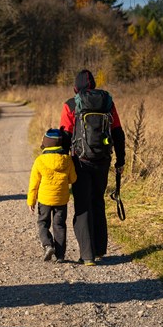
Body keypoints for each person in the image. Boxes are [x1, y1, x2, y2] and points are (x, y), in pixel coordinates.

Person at [60, 69, 126, 266]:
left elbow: (65, 135)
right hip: (103, 159)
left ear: (75, 87)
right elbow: (118, 132)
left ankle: (87, 255)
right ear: (94, 85)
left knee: (82, 204)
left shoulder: (71, 104)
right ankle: (99, 249)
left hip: (80, 160)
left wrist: (63, 163)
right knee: (98, 200)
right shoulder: (107, 102)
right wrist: (120, 160)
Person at [27, 128, 77, 262]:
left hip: (44, 199)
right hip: (61, 199)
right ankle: (60, 255)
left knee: (43, 223)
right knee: (59, 225)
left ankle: (48, 245)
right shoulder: (67, 160)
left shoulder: (40, 160)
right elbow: (73, 179)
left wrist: (31, 201)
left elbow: (34, 183)